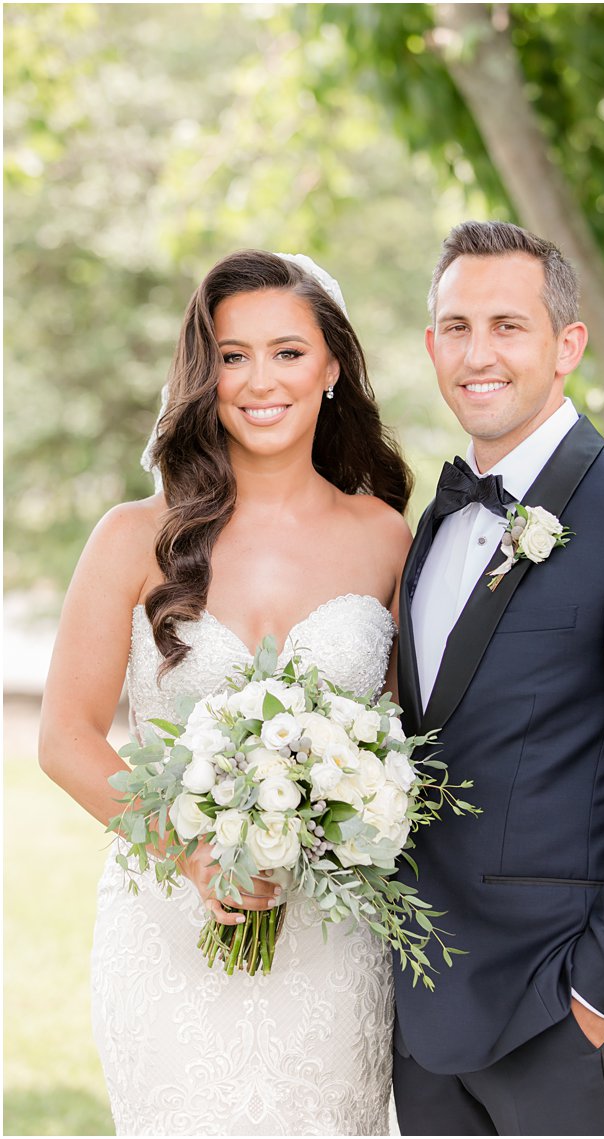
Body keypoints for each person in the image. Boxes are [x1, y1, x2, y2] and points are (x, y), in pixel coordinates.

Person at [39, 250, 415, 1132]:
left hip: (329, 937)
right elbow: (65, 737)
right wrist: (193, 854)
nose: (259, 381)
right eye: (232, 355)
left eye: (287, 352)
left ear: (331, 368)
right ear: (204, 375)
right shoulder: (133, 536)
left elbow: (403, 741)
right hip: (167, 929)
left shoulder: (386, 538)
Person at [390, 220, 604, 1136]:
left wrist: (599, 995)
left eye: (508, 326)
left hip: (561, 1014)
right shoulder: (431, 521)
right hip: (425, 1015)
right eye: (457, 328)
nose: (478, 353)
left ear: (567, 346)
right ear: (431, 345)